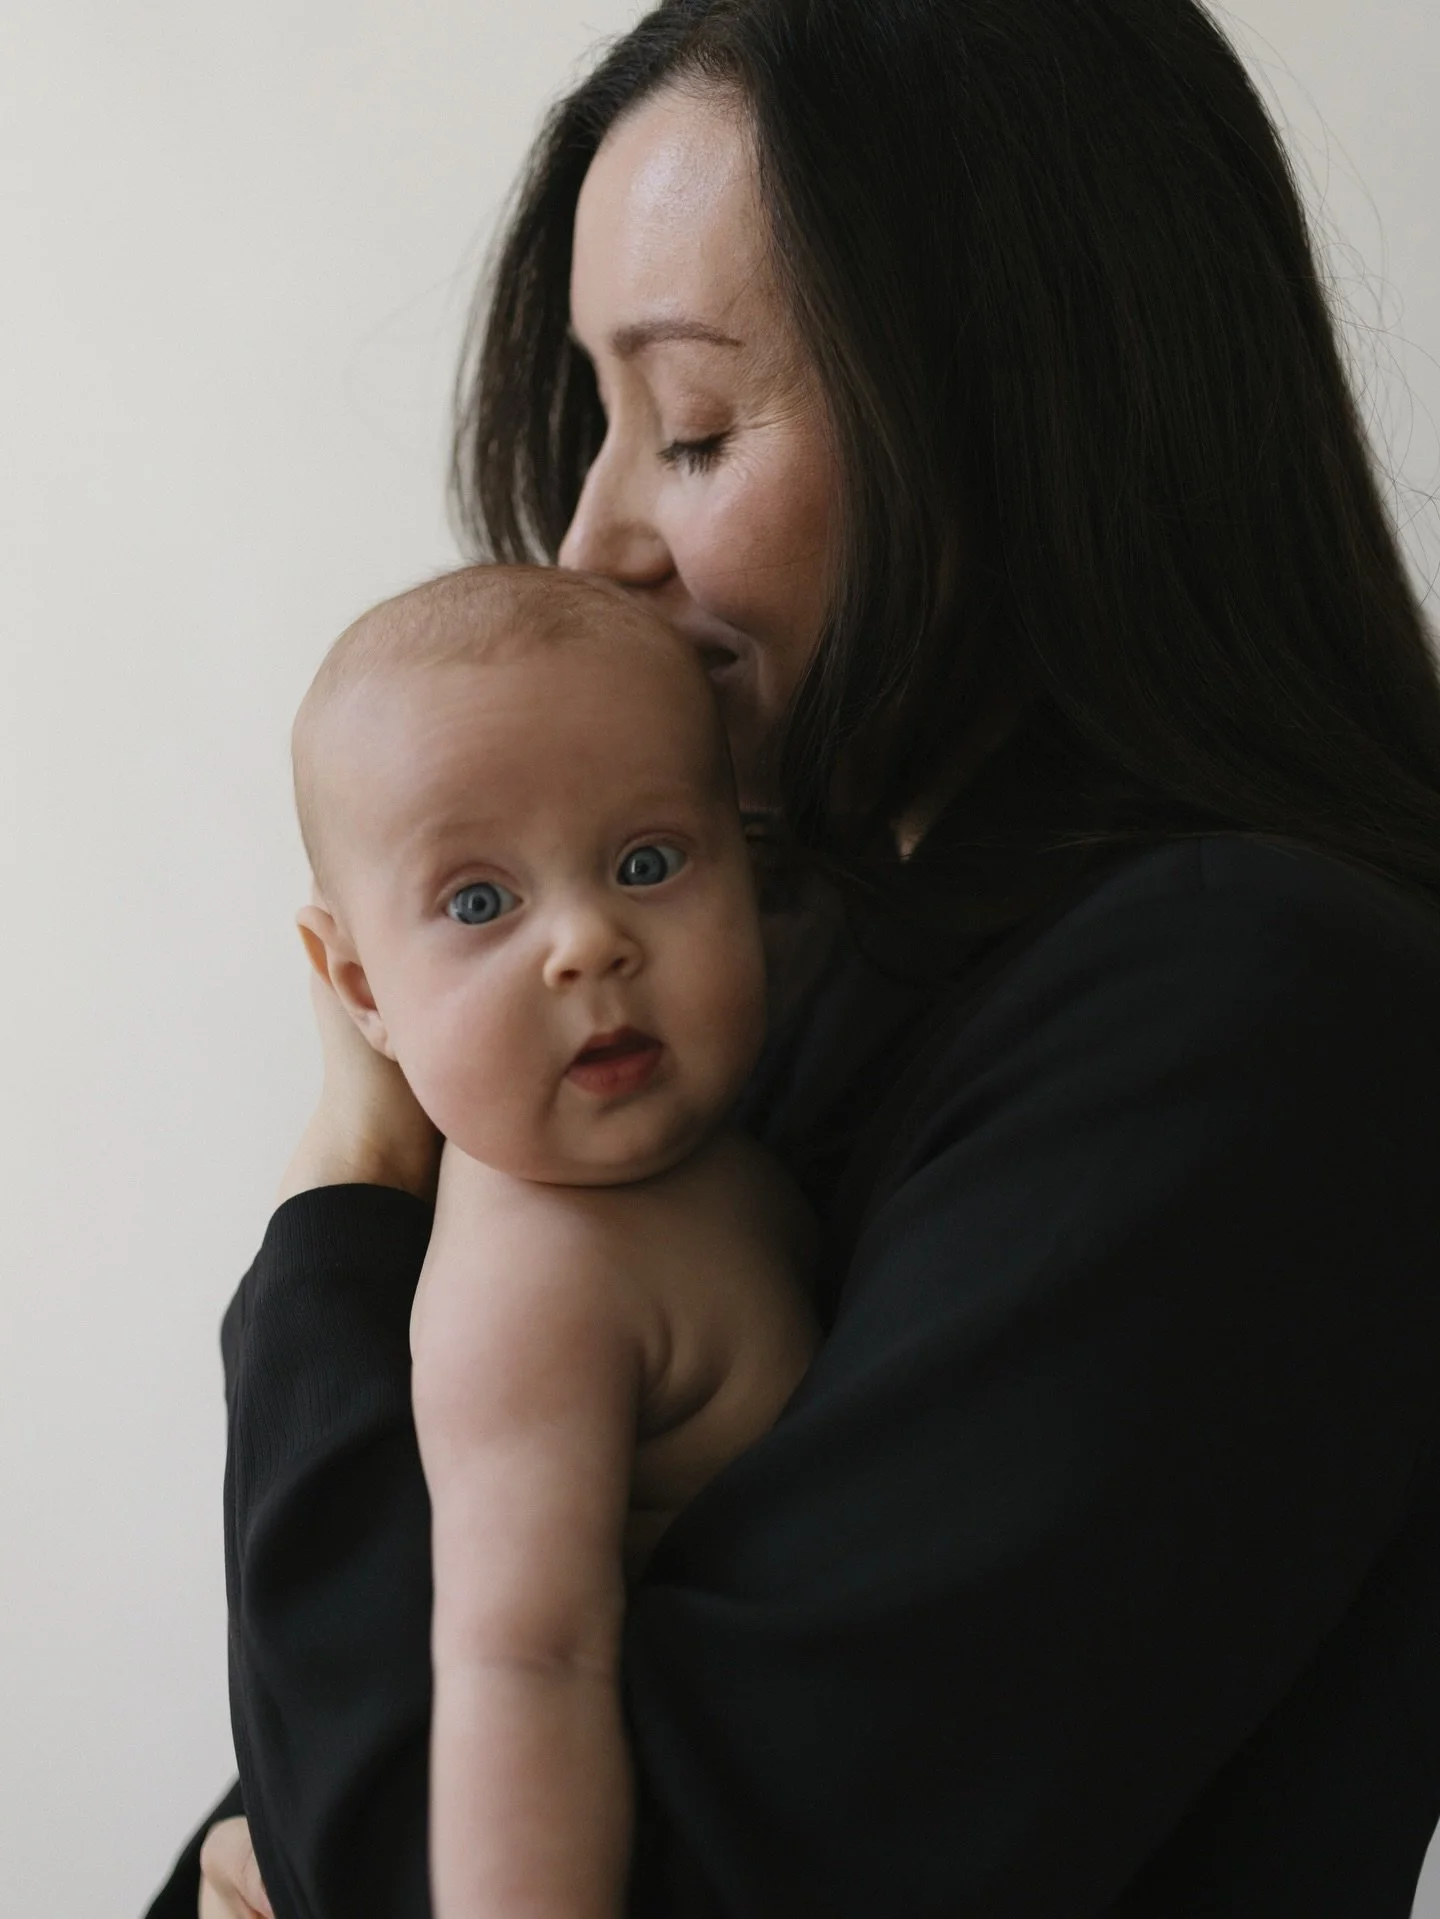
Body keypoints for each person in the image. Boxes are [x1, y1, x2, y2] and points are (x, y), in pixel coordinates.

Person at [148, 1, 1440, 1914]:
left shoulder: (1248, 1018)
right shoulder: (779, 979)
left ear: (1019, 419)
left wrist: (347, 1191)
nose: (591, 536)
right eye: (596, 418)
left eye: (687, 427)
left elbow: (509, 1854)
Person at [290, 562, 816, 1917]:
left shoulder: (720, 1144)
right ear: (361, 987)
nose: (589, 942)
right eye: (480, 902)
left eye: (649, 862)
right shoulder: (531, 1281)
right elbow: (521, 1665)